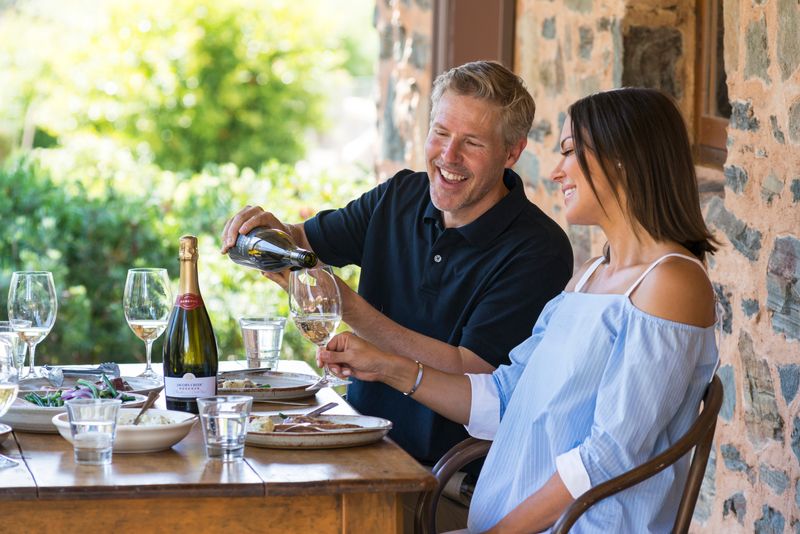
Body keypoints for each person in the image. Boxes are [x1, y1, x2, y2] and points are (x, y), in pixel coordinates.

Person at [319, 87, 720, 533]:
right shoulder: (591, 277)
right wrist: (385, 367)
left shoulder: (671, 283)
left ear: (622, 159)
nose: (555, 171)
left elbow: (608, 456)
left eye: (570, 151)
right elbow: (504, 398)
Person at [221, 60, 573, 518]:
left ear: (511, 152)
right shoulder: (401, 195)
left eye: (471, 142)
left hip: (449, 485)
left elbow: (470, 371)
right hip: (359, 449)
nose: (448, 156)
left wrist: (342, 304)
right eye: (441, 133)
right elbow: (305, 241)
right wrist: (269, 231)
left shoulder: (538, 249)